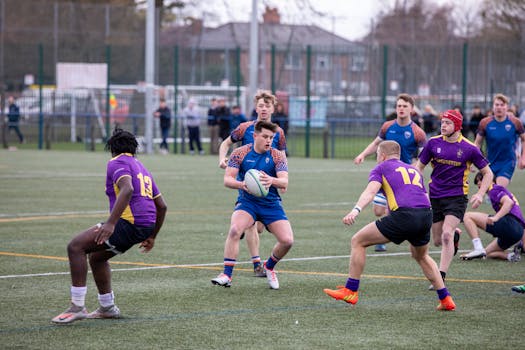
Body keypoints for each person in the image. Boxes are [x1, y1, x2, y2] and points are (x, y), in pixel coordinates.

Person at [51, 128, 168, 324]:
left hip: (129, 223)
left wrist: (111, 223)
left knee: (76, 246)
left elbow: (127, 188)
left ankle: (77, 306)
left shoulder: (117, 162)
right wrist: (152, 235)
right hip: (145, 225)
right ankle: (107, 307)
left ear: (112, 148)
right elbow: (162, 206)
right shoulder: (142, 167)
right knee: (97, 258)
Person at [323, 141, 456, 311]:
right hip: (425, 215)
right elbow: (423, 195)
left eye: (377, 155)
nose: (377, 158)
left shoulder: (382, 168)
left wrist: (355, 211)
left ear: (383, 155)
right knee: (421, 256)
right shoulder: (413, 169)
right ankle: (446, 299)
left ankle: (350, 290)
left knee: (358, 241)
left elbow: (370, 192)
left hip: (404, 215)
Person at [416, 109, 493, 288]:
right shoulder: (433, 143)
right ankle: (455, 236)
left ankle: (440, 276)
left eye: (448, 123)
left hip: (456, 197)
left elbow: (488, 173)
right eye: (442, 122)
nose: (443, 125)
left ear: (457, 126)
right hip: (435, 196)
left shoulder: (470, 148)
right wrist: (416, 187)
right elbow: (418, 168)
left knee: (445, 235)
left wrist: (480, 194)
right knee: (436, 240)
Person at [211, 120, 293, 290]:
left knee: (287, 241)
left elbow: (285, 181)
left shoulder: (277, 155)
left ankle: (269, 267)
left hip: (271, 203)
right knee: (235, 229)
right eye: (265, 137)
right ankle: (226, 274)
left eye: (271, 137)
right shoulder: (240, 153)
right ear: (255, 136)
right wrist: (242, 185)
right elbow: (227, 180)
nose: (269, 140)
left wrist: (272, 180)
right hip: (247, 202)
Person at [218, 90, 287, 277]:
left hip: (266, 185)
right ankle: (257, 264)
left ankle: (257, 257)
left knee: (258, 227)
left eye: (267, 106)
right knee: (248, 223)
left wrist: (282, 181)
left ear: (273, 108)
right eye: (261, 105)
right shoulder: (245, 128)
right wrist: (222, 158)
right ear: (256, 108)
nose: (264, 109)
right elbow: (225, 143)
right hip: (246, 184)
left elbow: (282, 157)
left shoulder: (277, 133)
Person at [354, 93, 427, 252]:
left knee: (393, 207)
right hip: (387, 174)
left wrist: (415, 168)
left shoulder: (417, 132)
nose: (401, 109)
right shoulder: (387, 126)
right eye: (399, 105)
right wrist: (363, 154)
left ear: (411, 109)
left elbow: (424, 156)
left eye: (405, 106)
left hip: (403, 179)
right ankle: (387, 232)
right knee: (378, 210)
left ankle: (386, 236)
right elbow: (376, 143)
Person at [460, 172, 524, 261]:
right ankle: (511, 256)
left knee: (467, 216)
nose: (478, 183)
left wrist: (496, 217)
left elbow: (509, 203)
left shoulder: (494, 189)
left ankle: (478, 248)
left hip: (510, 225)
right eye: (477, 181)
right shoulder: (497, 190)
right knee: (486, 253)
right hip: (518, 232)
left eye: (481, 180)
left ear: (489, 180)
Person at [475, 93, 525, 188]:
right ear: (493, 107)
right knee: (488, 191)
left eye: (502, 105)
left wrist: (523, 157)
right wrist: (473, 159)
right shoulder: (485, 123)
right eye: (497, 105)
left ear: (507, 107)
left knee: (499, 189)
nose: (499, 107)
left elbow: (524, 139)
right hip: (489, 163)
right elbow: (477, 143)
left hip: (508, 163)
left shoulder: (515, 122)